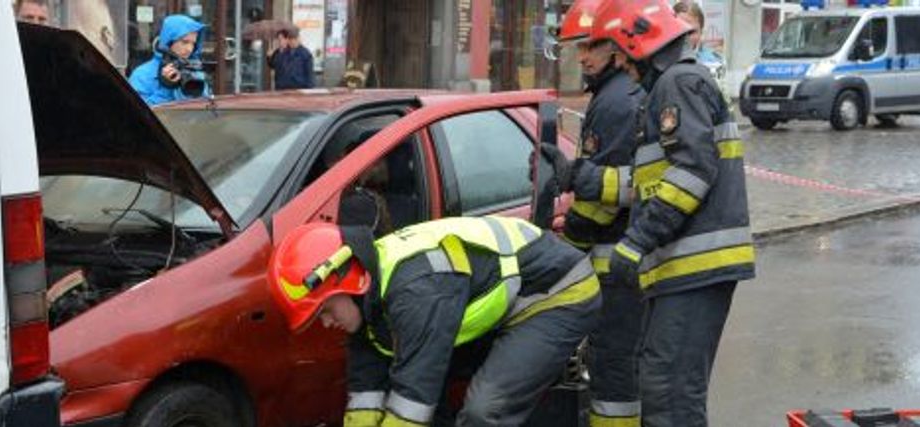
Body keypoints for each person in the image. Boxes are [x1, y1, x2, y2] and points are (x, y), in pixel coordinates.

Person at [590, 1, 756, 426]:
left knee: (670, 392)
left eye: (624, 55)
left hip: (694, 267)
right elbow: (655, 181)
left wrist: (637, 241)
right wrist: (584, 178)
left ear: (643, 46)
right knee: (663, 384)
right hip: (683, 269)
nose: (622, 66)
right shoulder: (673, 85)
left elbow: (691, 172)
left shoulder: (678, 83)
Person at [268, 216, 601, 426]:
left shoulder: (416, 293)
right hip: (505, 295)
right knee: (431, 393)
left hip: (556, 293)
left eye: (324, 311)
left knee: (484, 411)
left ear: (347, 282)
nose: (326, 324)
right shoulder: (369, 293)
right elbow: (365, 393)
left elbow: (411, 405)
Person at [558, 1, 646, 425]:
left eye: (592, 45)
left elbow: (599, 199)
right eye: (580, 46)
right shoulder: (621, 94)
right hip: (632, 266)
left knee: (614, 374)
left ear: (618, 48)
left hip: (617, 269)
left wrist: (565, 250)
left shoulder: (614, 103)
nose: (582, 56)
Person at [128, 15, 211, 106]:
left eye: (193, 44)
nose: (189, 49)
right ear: (168, 42)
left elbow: (206, 110)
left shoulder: (195, 73)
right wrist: (166, 88)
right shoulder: (142, 75)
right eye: (184, 42)